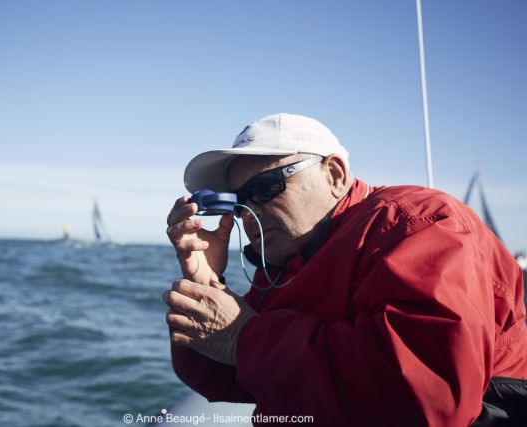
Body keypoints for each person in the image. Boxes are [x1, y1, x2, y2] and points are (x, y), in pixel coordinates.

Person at [164, 113, 527, 426]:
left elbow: (427, 403)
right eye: (238, 201)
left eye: (264, 188)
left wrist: (244, 337)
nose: (248, 212)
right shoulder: (287, 259)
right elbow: (222, 378)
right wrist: (208, 284)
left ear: (335, 173)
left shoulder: (422, 225)